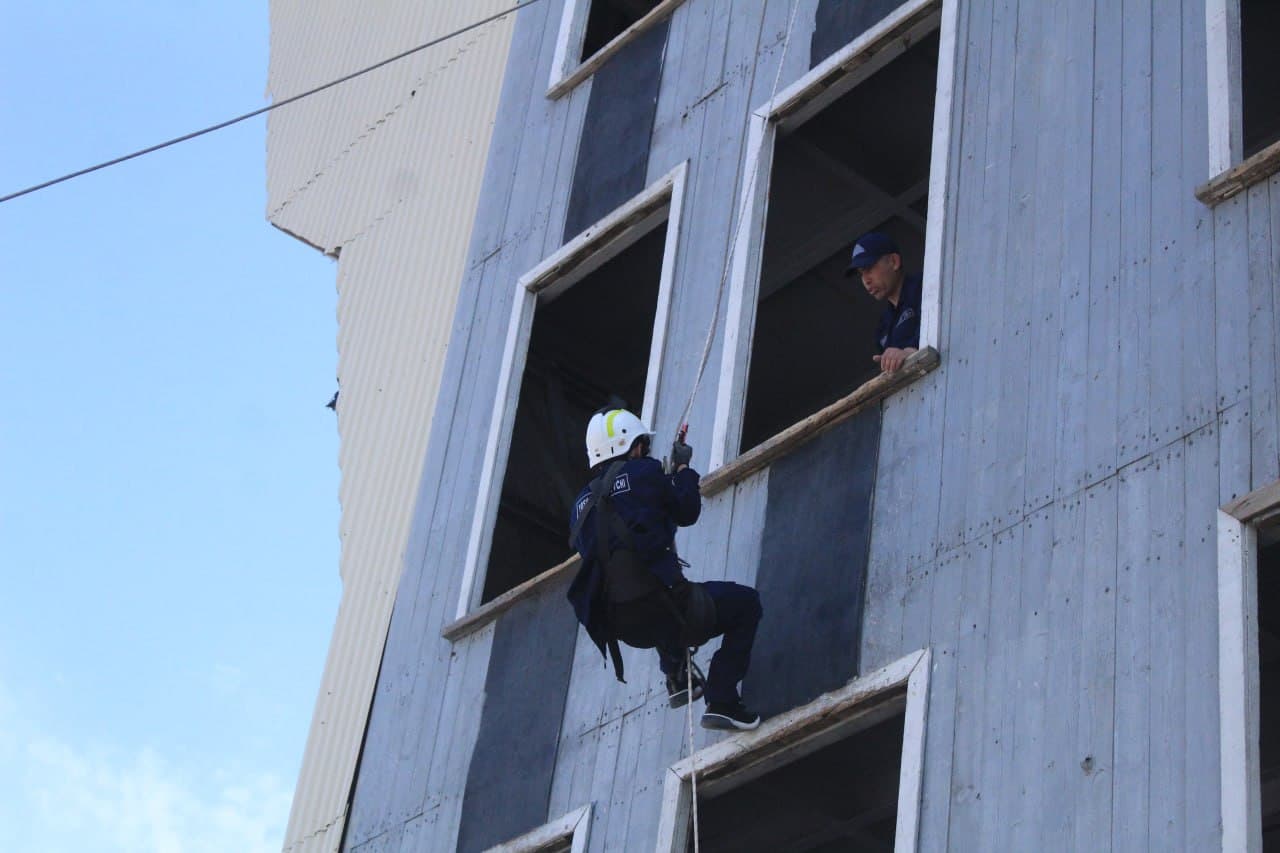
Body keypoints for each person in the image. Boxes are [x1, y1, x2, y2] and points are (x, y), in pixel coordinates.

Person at [566, 408, 763, 731]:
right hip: (670, 609)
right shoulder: (646, 472)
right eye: (643, 445)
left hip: (625, 626)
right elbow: (686, 511)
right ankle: (722, 700)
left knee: (645, 590)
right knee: (745, 604)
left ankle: (676, 675)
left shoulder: (579, 508)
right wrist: (683, 468)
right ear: (634, 446)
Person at [845, 231, 922, 374]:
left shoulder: (925, 287)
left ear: (894, 262)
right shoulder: (883, 327)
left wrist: (910, 350)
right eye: (861, 273)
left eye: (868, 269)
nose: (865, 280)